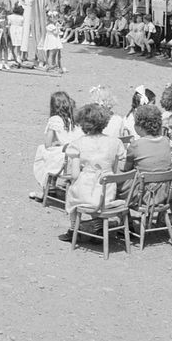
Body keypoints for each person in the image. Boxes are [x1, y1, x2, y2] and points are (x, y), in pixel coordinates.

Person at [59, 102, 127, 241]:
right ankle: (99, 227)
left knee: (72, 192)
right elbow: (118, 165)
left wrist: (69, 178)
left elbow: (75, 174)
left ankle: (73, 229)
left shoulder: (78, 144)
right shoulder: (115, 142)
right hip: (107, 190)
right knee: (93, 195)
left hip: (88, 190)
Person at [30, 91, 79, 201]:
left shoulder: (54, 120)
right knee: (55, 151)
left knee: (42, 150)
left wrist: (56, 143)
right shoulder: (74, 119)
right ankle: (51, 186)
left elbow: (48, 143)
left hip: (65, 160)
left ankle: (46, 187)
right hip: (76, 157)